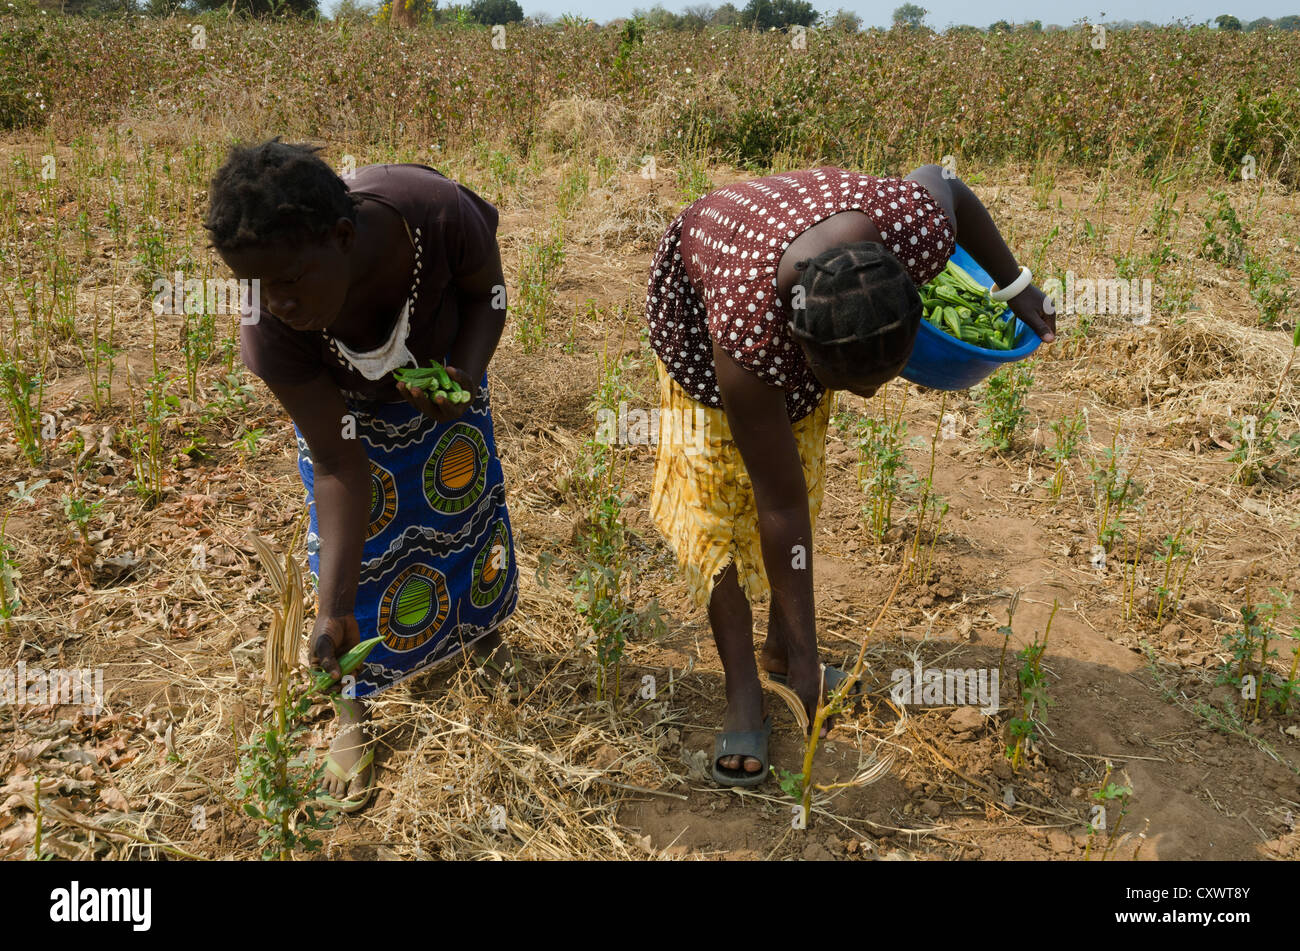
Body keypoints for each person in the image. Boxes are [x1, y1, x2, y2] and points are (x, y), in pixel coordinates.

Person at [644, 164, 1055, 786]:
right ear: (802, 350)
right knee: (720, 512)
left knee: (800, 469)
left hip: (791, 236)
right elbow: (776, 507)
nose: (865, 397)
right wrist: (817, 665)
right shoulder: (746, 342)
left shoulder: (909, 229)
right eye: (853, 382)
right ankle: (744, 691)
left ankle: (783, 651)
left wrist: (1016, 284)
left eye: (880, 377)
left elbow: (946, 183)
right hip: (713, 280)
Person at [206, 140, 520, 810]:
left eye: (287, 282)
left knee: (466, 508)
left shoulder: (435, 215)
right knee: (361, 543)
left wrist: (462, 374)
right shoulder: (272, 330)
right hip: (346, 415)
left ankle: (480, 633)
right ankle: (356, 706)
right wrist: (331, 608)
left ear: (342, 236)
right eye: (252, 287)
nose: (273, 303)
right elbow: (338, 462)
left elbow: (487, 298)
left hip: (448, 377)